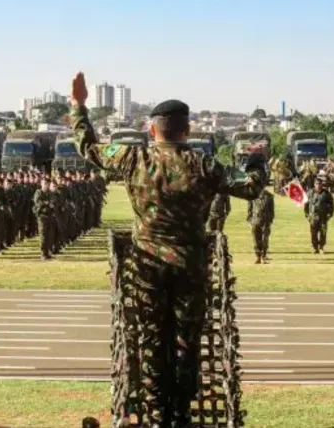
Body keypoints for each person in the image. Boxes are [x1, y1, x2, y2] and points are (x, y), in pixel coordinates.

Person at [70, 71, 266, 426]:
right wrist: (256, 162)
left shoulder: (133, 158)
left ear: (152, 130)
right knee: (186, 344)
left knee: (151, 341)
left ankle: (156, 414)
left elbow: (89, 148)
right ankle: (180, 415)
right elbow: (251, 188)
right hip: (190, 267)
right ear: (186, 131)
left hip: (147, 268)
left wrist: (79, 106)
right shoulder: (205, 165)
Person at [304, 177, 334, 254]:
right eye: (317, 184)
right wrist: (307, 214)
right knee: (313, 233)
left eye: (320, 184)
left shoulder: (326, 194)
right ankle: (315, 247)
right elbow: (306, 204)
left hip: (323, 217)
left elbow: (331, 204)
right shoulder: (310, 193)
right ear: (314, 184)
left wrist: (330, 214)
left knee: (323, 232)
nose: (318, 185)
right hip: (313, 217)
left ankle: (321, 247)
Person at [246, 187, 275, 264]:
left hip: (266, 221)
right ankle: (257, 257)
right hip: (255, 221)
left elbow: (272, 210)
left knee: (264, 239)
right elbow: (249, 209)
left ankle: (263, 256)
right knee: (256, 240)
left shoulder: (269, 196)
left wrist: (270, 220)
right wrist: (249, 221)